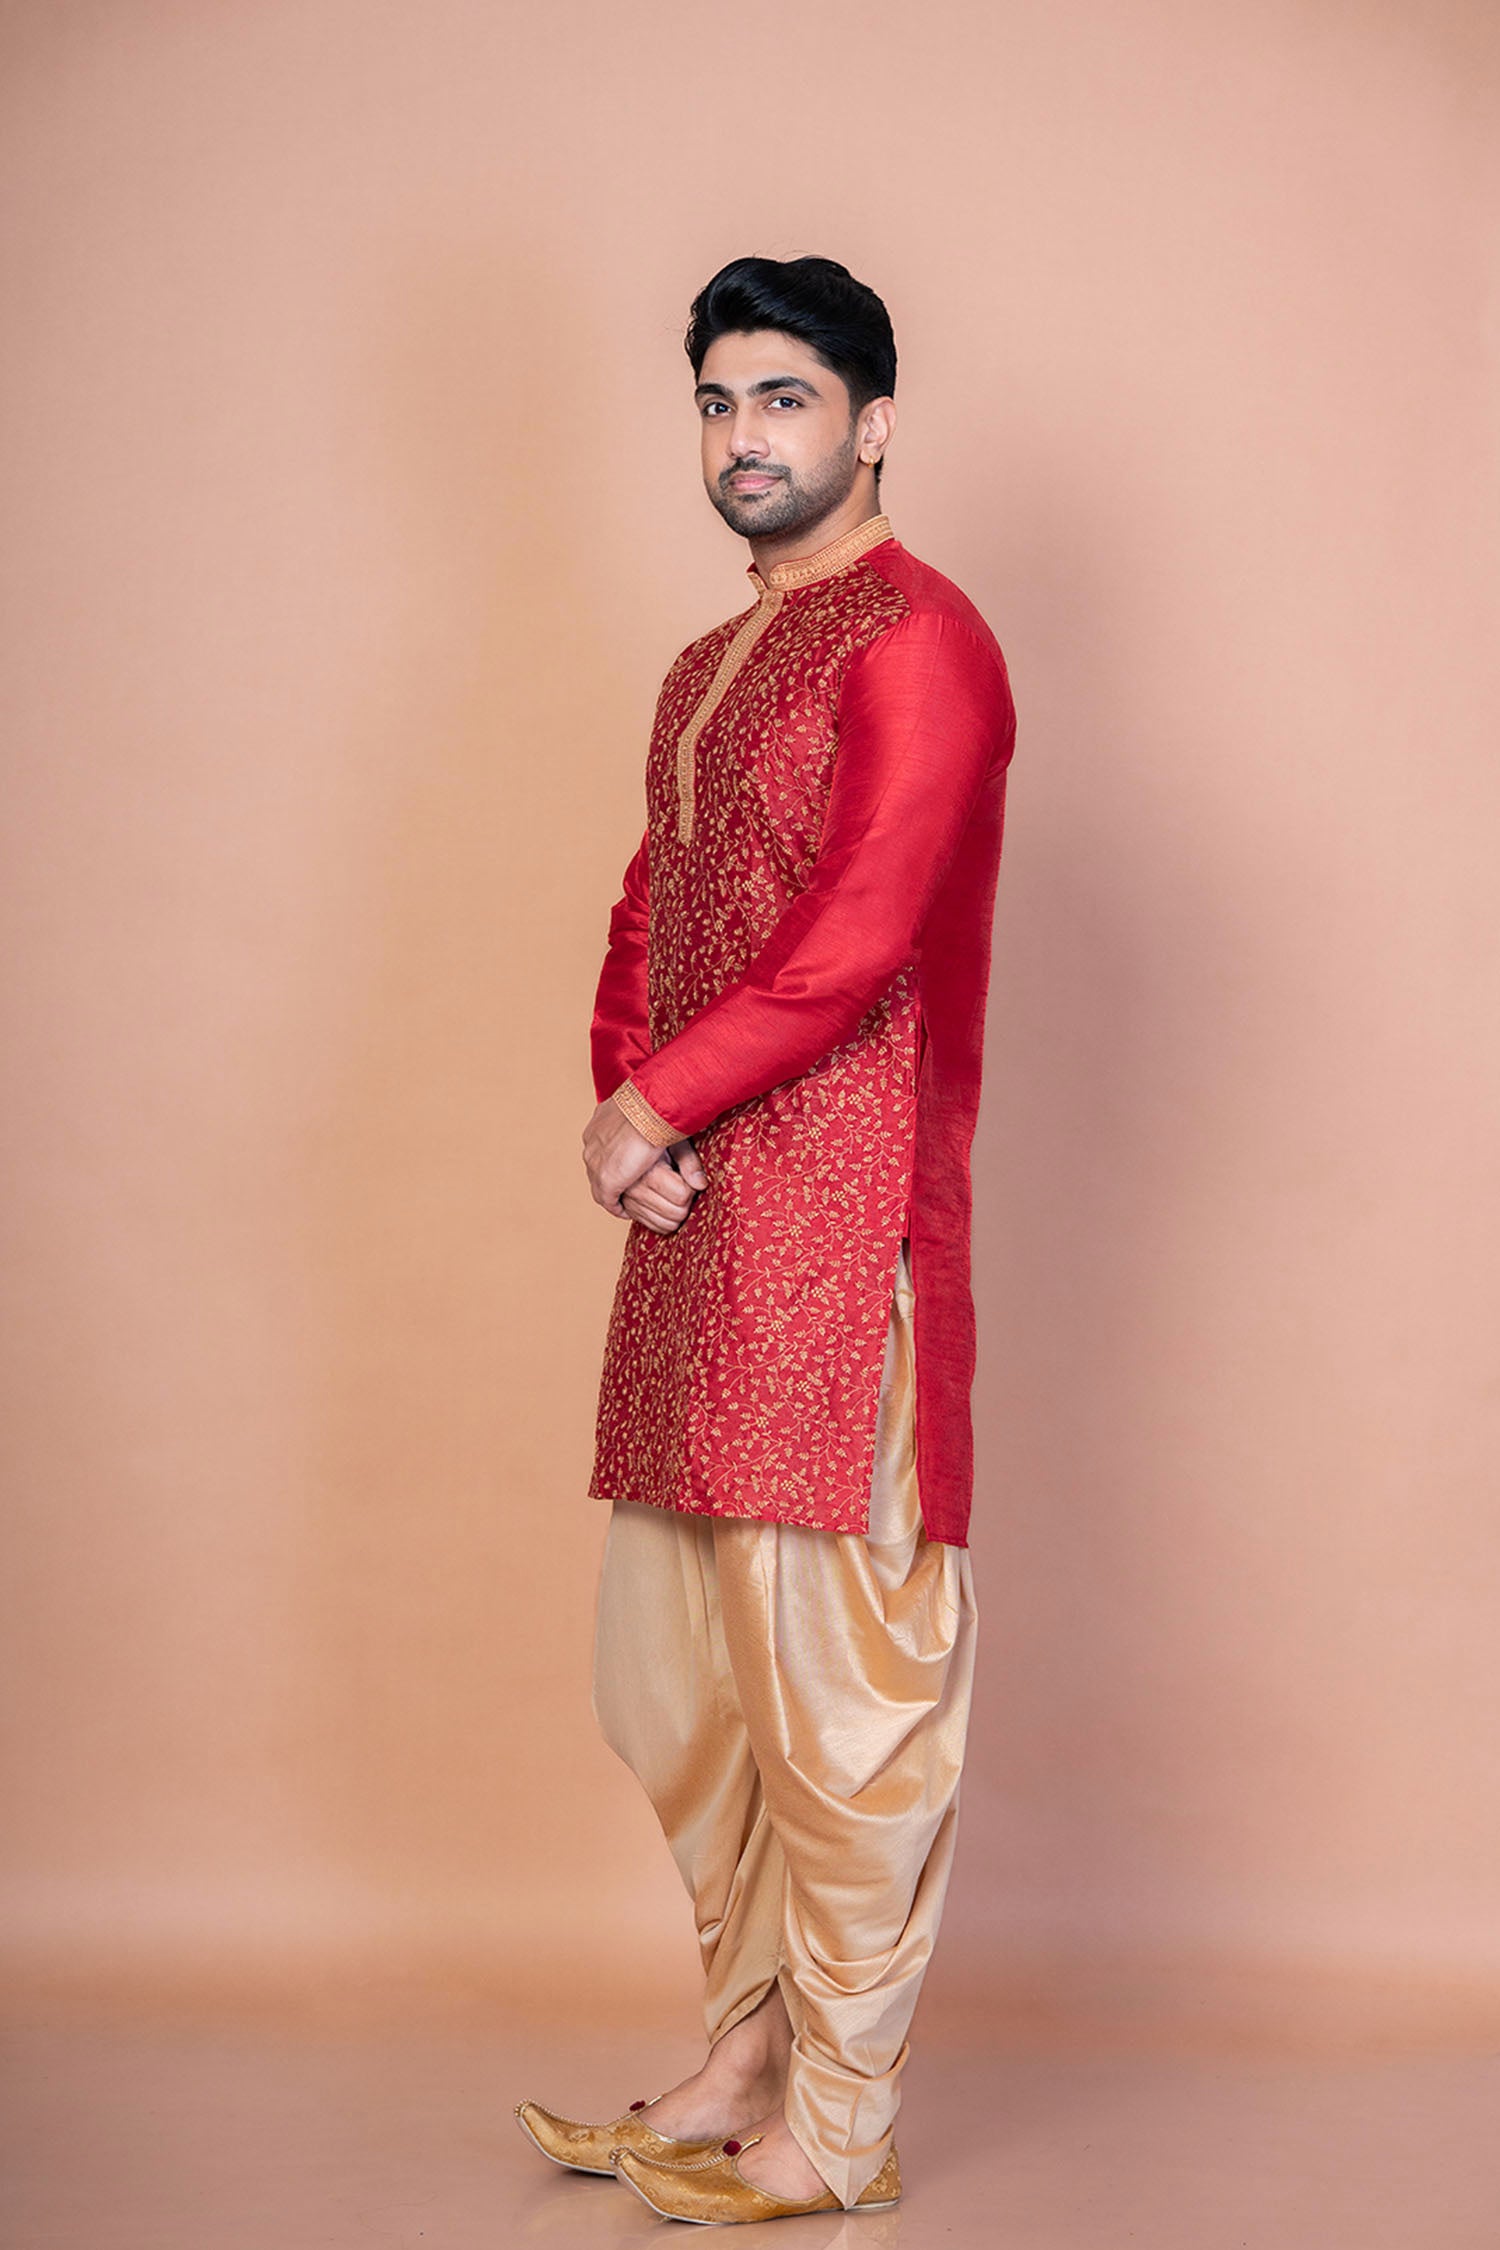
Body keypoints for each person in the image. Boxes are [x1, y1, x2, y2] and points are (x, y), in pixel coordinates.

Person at [516, 254, 1016, 2224]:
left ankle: (848, 2118)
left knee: (841, 1692)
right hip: (704, 1213)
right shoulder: (708, 664)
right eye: (720, 403)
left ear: (872, 423)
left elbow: (862, 926)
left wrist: (659, 1102)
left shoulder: (922, 638)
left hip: (845, 1215)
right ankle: (749, 2051)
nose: (745, 437)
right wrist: (625, 1104)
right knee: (684, 1681)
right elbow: (657, 899)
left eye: (784, 399)